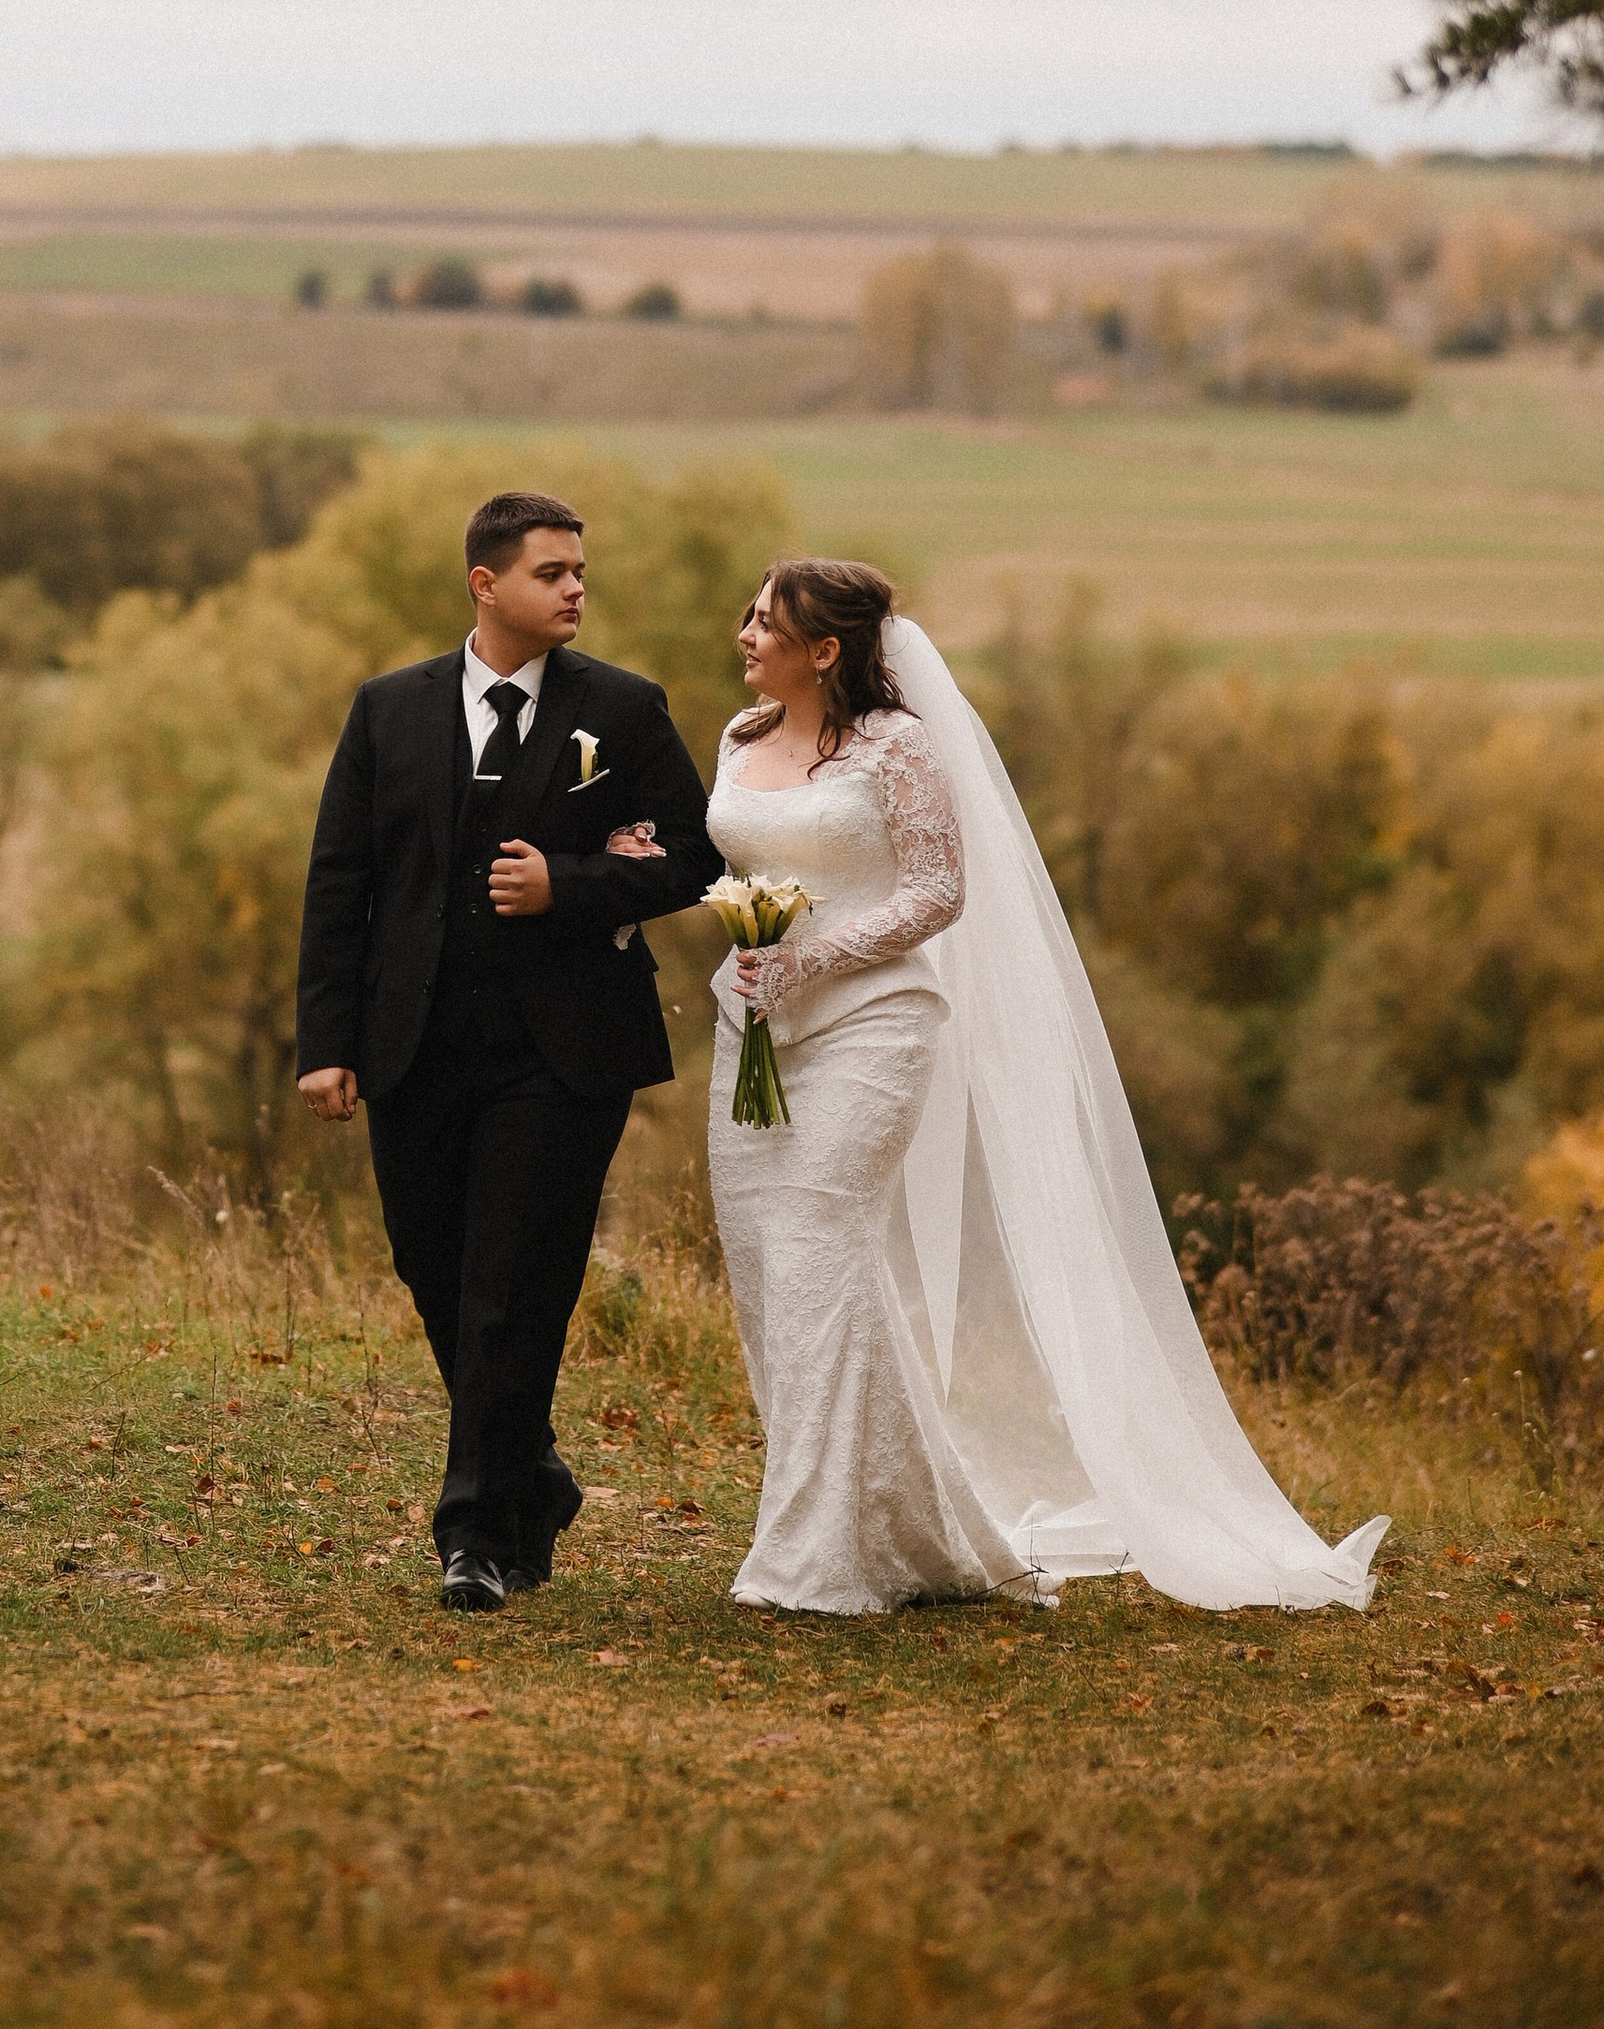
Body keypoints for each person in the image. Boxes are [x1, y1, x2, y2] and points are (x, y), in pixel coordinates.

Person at [654, 557, 1385, 1617]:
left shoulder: (897, 746)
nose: (745, 634)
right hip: (754, 1023)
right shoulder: (739, 735)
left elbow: (937, 890)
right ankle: (911, 1529)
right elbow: (724, 855)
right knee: (776, 1270)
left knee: (816, 1245)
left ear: (825, 649)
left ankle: (807, 1553)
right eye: (750, 615)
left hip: (872, 1022)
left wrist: (815, 956)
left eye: (767, 623)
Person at [294, 489, 717, 1613]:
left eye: (579, 570)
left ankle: (475, 1534)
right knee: (433, 1269)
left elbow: (694, 854)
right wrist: (325, 1041)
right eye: (550, 571)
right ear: (486, 584)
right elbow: (340, 879)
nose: (575, 588)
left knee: (512, 1288)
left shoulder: (622, 708)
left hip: (562, 1055)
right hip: (413, 1046)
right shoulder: (388, 708)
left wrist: (567, 884)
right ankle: (534, 1475)